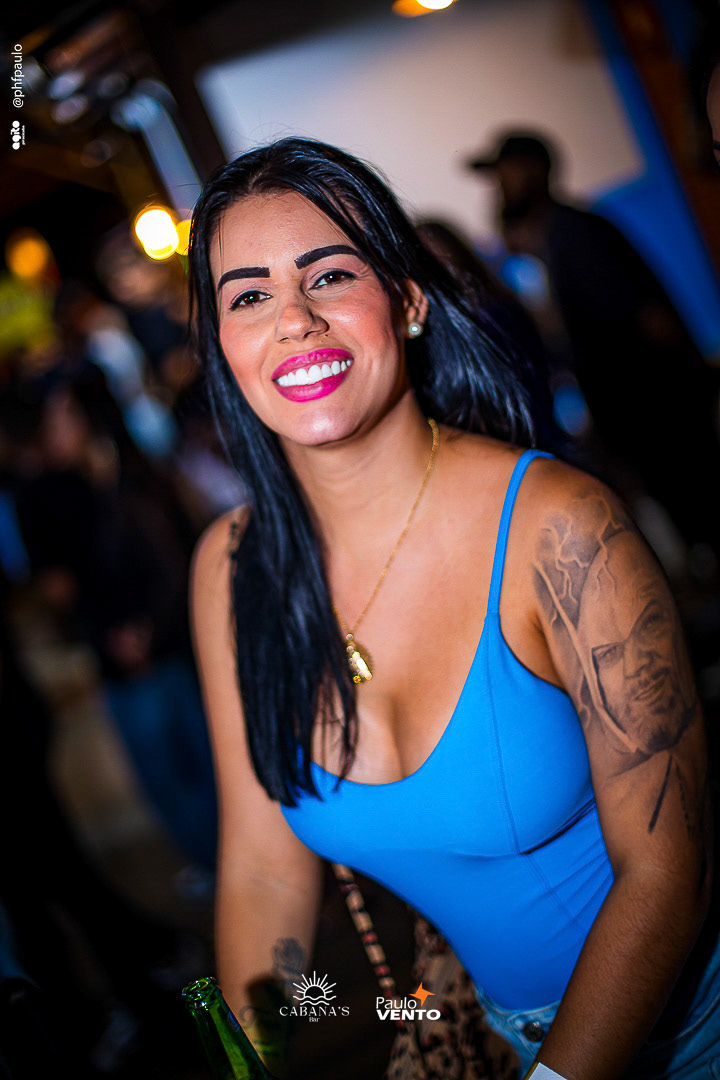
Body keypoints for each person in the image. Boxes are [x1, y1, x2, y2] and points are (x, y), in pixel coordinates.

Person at [188, 137, 718, 1080]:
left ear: (408, 299)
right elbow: (263, 872)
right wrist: (246, 1067)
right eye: (249, 296)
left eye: (330, 275)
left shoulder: (559, 526)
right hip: (507, 1043)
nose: (295, 321)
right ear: (223, 346)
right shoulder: (231, 572)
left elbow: (669, 873)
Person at [466, 130, 720, 575]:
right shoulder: (544, 245)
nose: (499, 185)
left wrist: (687, 390)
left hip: (658, 406)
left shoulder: (578, 233)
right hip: (633, 412)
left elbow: (646, 319)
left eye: (505, 172)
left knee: (703, 508)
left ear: (534, 170)